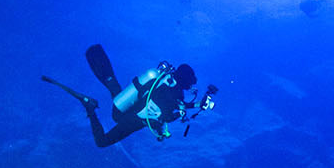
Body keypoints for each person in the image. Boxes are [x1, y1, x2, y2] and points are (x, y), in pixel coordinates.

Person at [43, 44, 213, 146]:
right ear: (185, 80)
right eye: (191, 81)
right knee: (102, 142)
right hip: (132, 119)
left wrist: (198, 104)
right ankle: (90, 107)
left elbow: (176, 104)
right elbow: (168, 116)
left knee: (116, 94)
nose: (192, 84)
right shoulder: (175, 94)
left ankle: (102, 66)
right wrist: (181, 114)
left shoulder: (166, 81)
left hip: (128, 105)